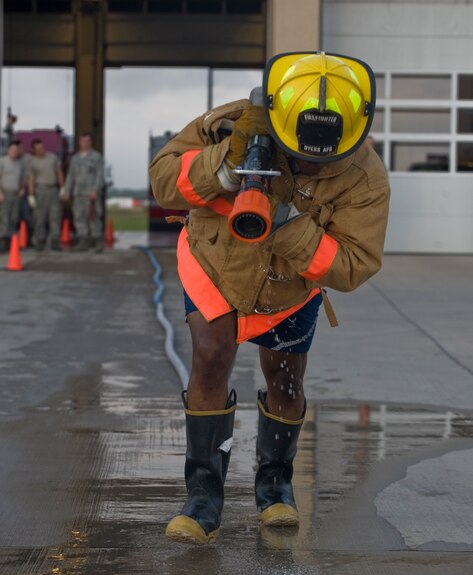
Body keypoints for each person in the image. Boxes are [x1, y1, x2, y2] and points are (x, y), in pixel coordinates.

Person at [149, 51, 390, 545]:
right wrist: (225, 165)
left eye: (322, 159)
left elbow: (352, 264)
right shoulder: (232, 124)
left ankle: (276, 487)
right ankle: (202, 499)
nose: (306, 164)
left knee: (285, 378)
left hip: (291, 287)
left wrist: (286, 226)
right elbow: (162, 181)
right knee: (210, 357)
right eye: (297, 154)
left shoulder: (365, 177)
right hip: (216, 266)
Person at [64, 133, 105, 252]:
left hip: (91, 193)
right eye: (83, 141)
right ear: (79, 142)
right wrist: (67, 191)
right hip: (78, 193)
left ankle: (97, 241)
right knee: (79, 217)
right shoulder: (75, 158)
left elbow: (99, 175)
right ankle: (83, 240)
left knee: (94, 216)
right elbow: (70, 176)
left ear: (90, 142)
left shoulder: (96, 157)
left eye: (87, 141)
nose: (85, 144)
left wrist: (95, 190)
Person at [28, 139, 65, 251]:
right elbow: (31, 179)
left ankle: (55, 241)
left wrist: (62, 187)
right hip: (40, 190)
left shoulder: (52, 157)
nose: (41, 150)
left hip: (52, 188)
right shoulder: (32, 162)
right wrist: (31, 195)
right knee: (40, 217)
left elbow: (59, 172)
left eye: (42, 147)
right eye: (38, 149)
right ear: (34, 150)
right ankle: (40, 240)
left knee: (55, 216)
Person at [0, 140, 25, 253]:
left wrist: (22, 189)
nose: (14, 152)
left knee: (14, 218)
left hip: (16, 194)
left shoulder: (19, 163)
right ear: (8, 150)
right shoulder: (2, 162)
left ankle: (12, 241)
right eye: (12, 150)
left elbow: (21, 178)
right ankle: (3, 242)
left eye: (16, 150)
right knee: (4, 218)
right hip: (5, 193)